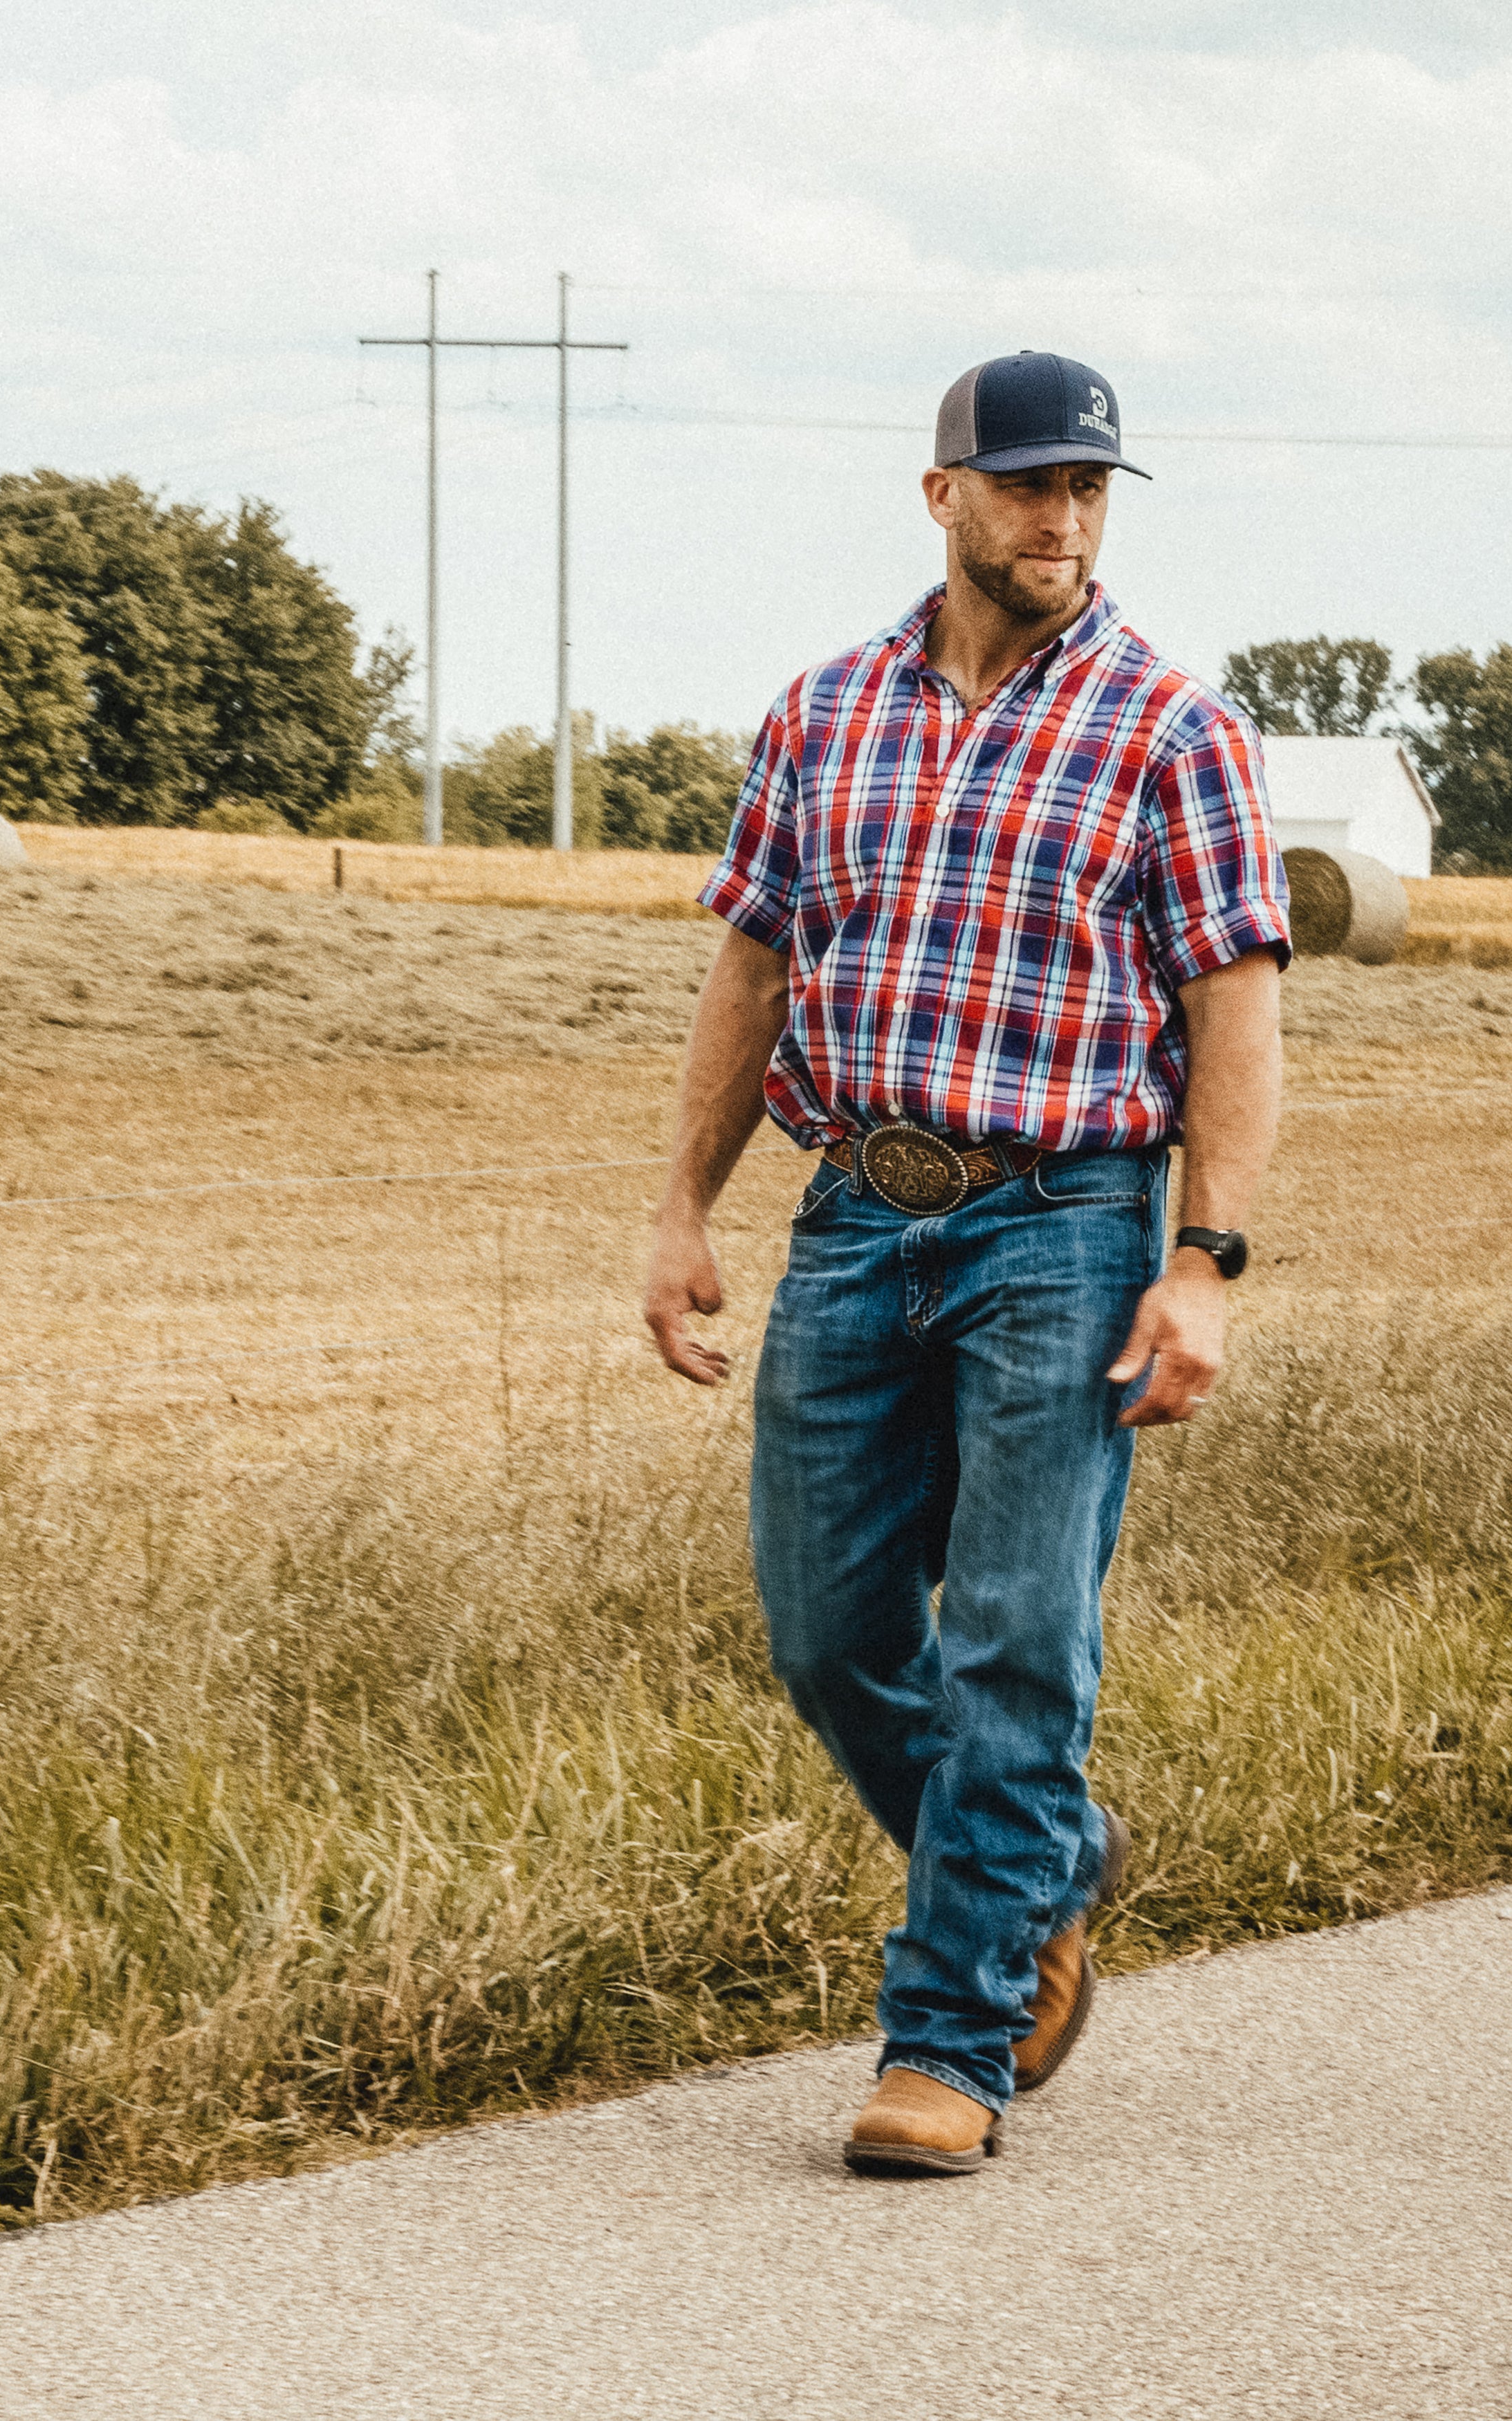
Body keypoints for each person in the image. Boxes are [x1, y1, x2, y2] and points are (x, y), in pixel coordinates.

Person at [642, 350, 1287, 2176]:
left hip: (1064, 1220)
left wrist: (1203, 1259)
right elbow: (751, 970)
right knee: (828, 1627)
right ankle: (1046, 1864)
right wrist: (683, 1207)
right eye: (1026, 485)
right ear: (942, 496)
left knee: (1014, 1633)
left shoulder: (1171, 729)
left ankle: (947, 2032)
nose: (1060, 518)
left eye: (1086, 487)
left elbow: (1231, 1010)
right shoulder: (821, 713)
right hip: (850, 1207)